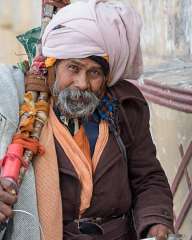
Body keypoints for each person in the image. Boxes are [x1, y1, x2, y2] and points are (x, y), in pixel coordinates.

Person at [0, 0, 174, 239]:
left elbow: (147, 178)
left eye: (94, 72)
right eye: (73, 68)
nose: (82, 84)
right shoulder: (17, 109)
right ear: (52, 66)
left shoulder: (123, 108)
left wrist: (156, 225)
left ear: (106, 78)